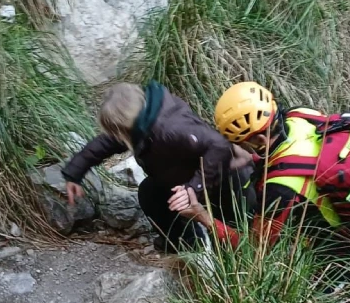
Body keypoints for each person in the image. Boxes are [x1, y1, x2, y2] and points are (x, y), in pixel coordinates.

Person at [169, 82, 350, 288]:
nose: (240, 149)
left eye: (241, 144)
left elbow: (254, 250)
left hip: (340, 247)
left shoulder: (279, 190)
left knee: (325, 297)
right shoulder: (299, 115)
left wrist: (202, 216)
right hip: (349, 208)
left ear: (260, 140)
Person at [61, 81, 254, 252]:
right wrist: (75, 172)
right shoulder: (141, 123)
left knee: (232, 240)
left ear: (124, 126)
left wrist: (193, 188)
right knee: (150, 193)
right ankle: (186, 244)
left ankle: (231, 261)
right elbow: (105, 143)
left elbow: (219, 145)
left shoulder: (171, 129)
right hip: (181, 177)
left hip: (225, 182)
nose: (115, 137)